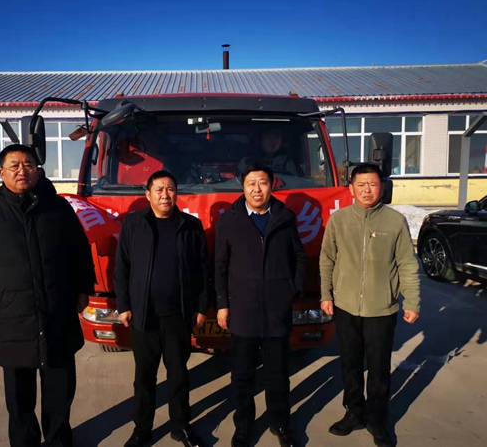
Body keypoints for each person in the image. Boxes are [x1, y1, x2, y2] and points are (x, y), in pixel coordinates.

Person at [0, 144, 95, 447]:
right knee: (19, 395)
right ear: (2, 173)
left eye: (28, 164)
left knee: (60, 388)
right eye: (14, 165)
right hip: (13, 317)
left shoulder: (58, 208)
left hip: (57, 311)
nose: (22, 170)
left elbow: (79, 251)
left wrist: (83, 289)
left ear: (37, 170)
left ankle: (58, 439)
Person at [319, 163, 420, 447]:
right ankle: (354, 412)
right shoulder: (339, 220)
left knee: (378, 367)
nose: (367, 190)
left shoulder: (395, 221)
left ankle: (377, 419)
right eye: (361, 184)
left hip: (382, 309)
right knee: (350, 364)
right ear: (351, 188)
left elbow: (407, 264)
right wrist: (326, 295)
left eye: (373, 184)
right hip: (346, 306)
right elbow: (327, 260)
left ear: (382, 187)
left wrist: (412, 301)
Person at [114, 170, 211, 447]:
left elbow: (202, 270)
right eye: (159, 189)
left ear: (176, 193)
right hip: (144, 315)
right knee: (144, 377)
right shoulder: (134, 223)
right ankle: (142, 430)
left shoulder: (190, 226)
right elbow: (122, 268)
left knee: (178, 375)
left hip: (178, 315)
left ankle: (181, 426)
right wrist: (124, 305)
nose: (165, 195)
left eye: (170, 189)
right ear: (148, 194)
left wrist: (201, 306)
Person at [215, 163, 306, 447]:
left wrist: (292, 289)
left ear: (272, 185)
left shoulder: (284, 218)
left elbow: (298, 257)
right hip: (242, 310)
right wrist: (222, 304)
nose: (257, 189)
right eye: (251, 183)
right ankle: (243, 425)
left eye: (263, 182)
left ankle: (280, 423)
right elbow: (220, 265)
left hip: (277, 311)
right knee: (242, 375)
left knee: (278, 374)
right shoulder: (230, 221)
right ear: (242, 187)